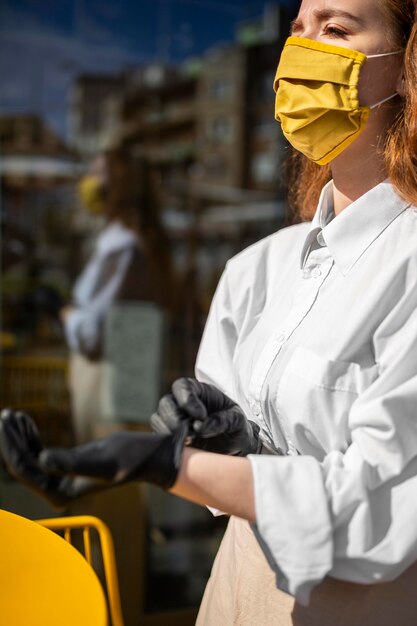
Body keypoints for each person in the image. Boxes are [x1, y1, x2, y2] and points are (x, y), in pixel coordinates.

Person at [1, 0, 417, 623]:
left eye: (335, 29)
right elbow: (264, 463)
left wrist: (167, 464)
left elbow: (382, 505)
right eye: (298, 30)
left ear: (407, 67)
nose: (302, 52)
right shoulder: (262, 268)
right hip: (236, 585)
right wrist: (232, 442)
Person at [61, 149, 174, 441]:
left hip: (107, 387)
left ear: (120, 185)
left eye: (97, 173)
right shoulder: (133, 242)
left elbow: (93, 334)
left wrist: (68, 315)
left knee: (104, 479)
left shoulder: (121, 246)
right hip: (125, 383)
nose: (88, 182)